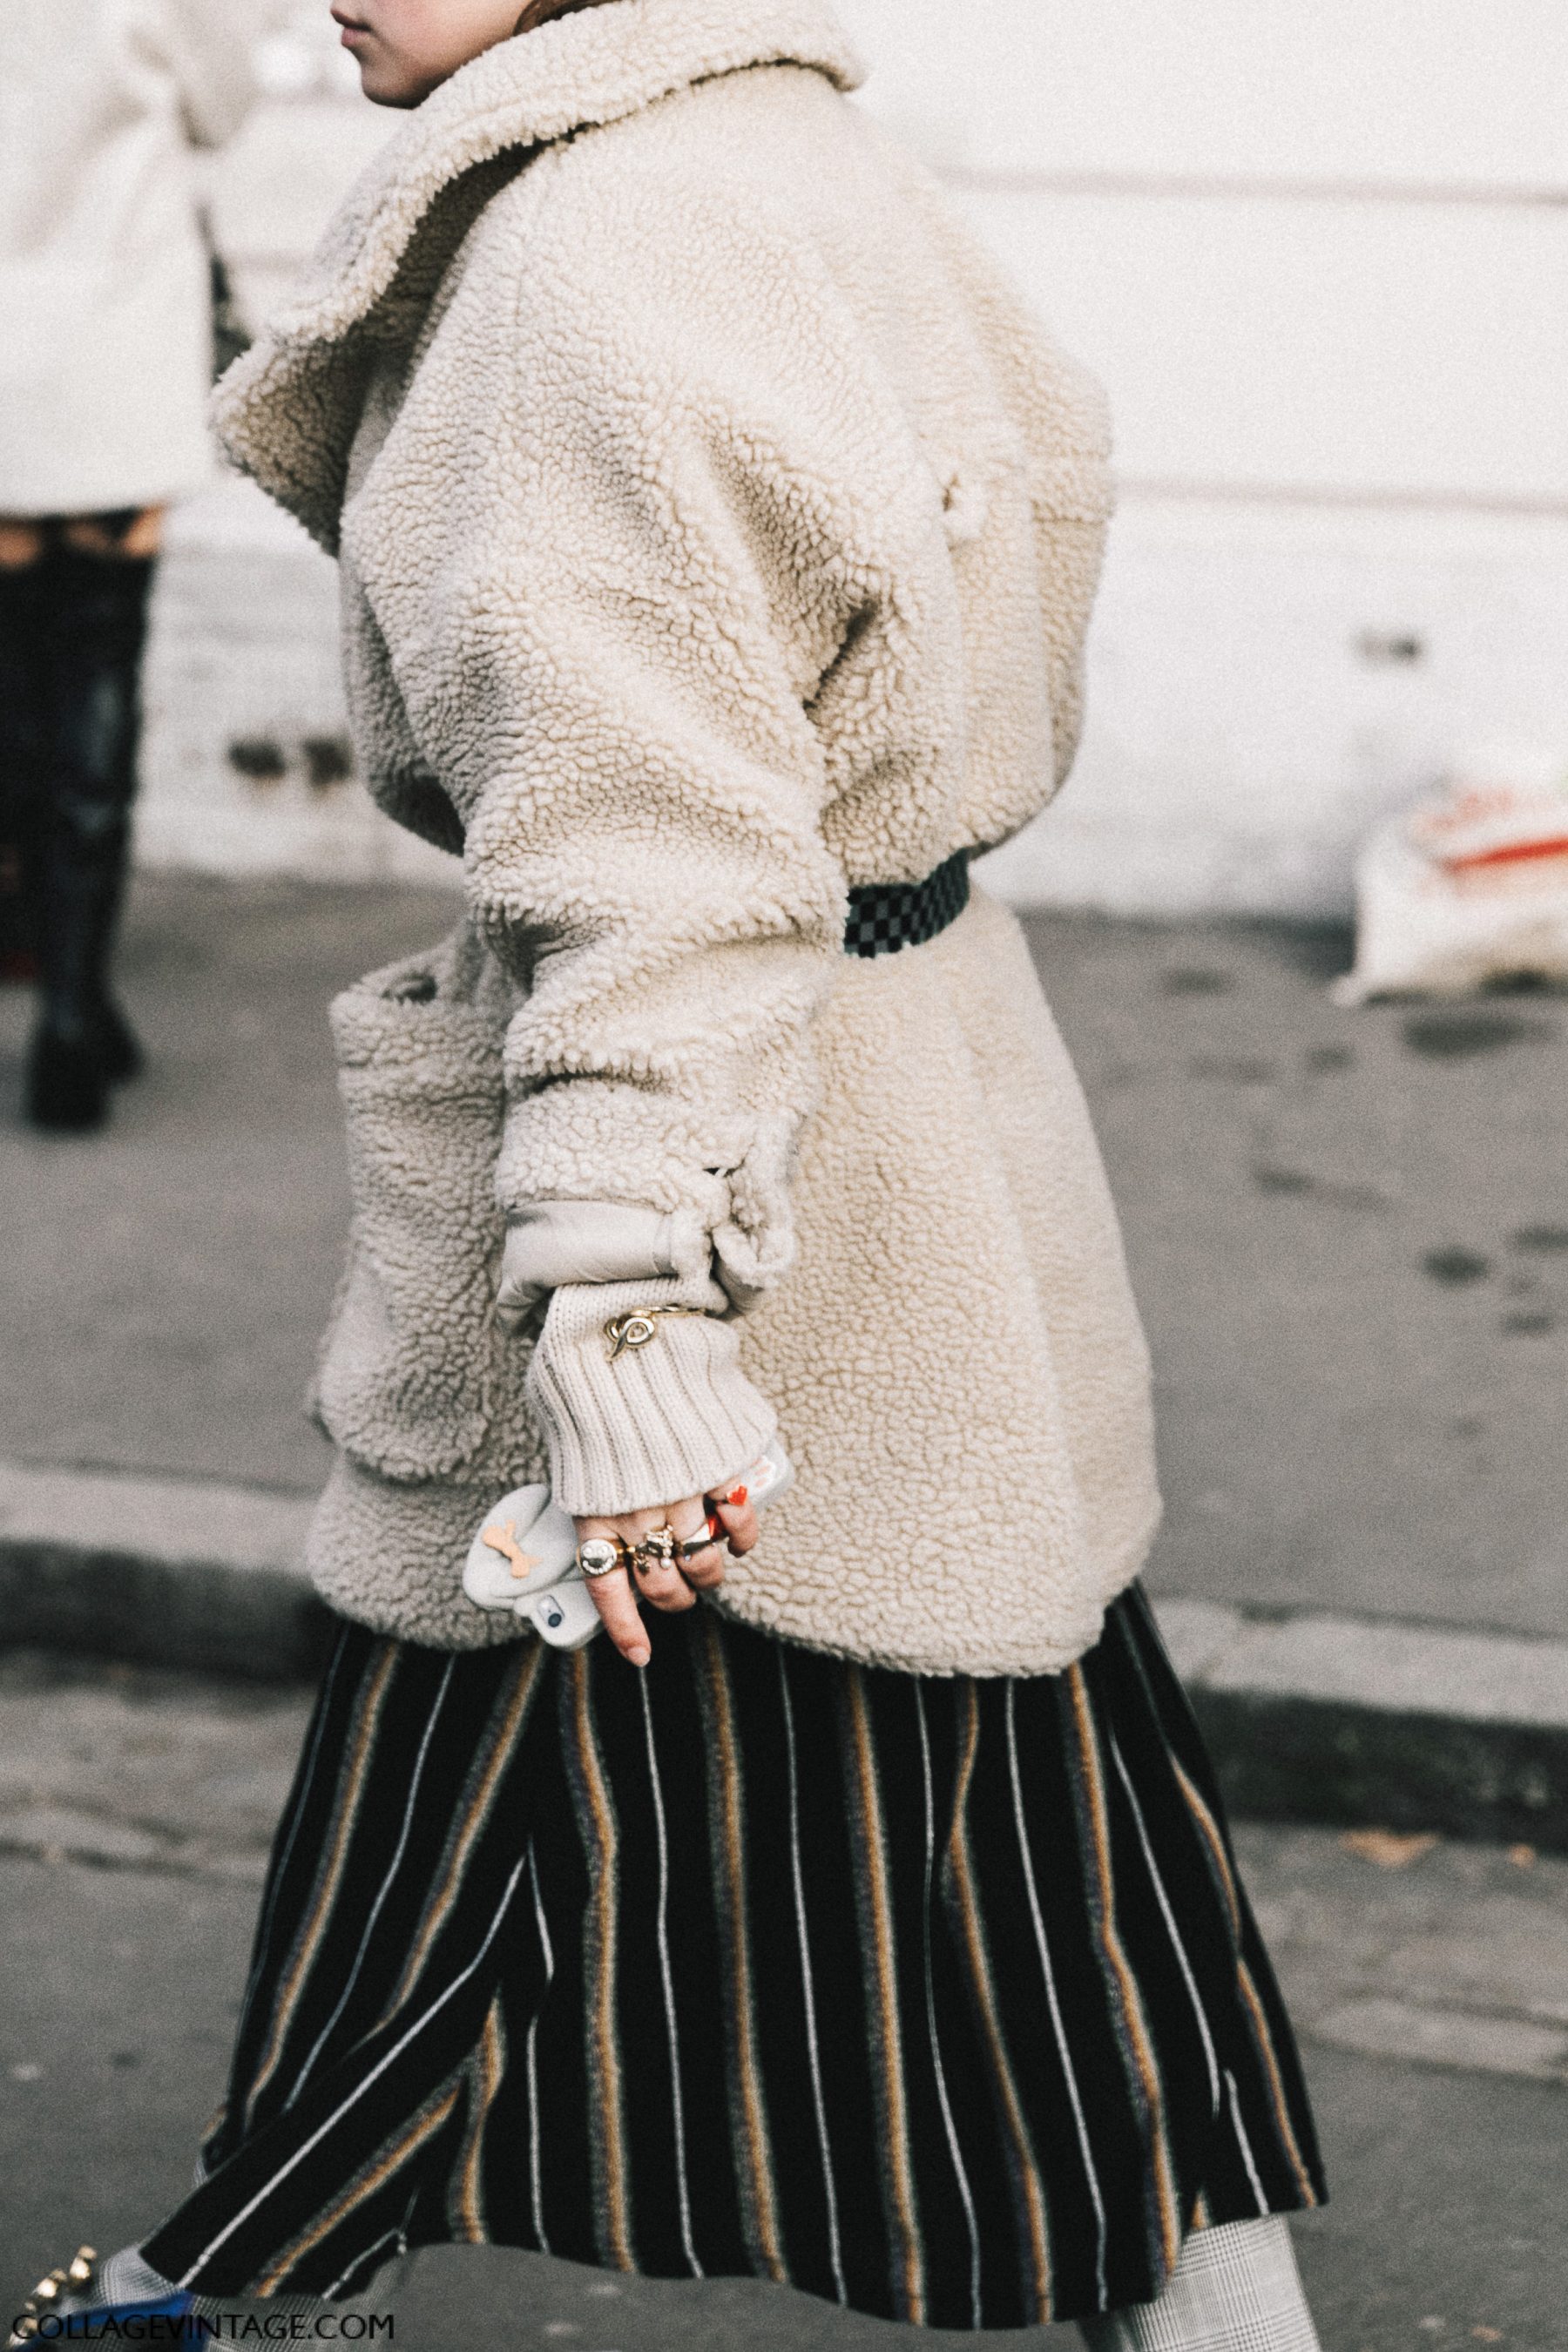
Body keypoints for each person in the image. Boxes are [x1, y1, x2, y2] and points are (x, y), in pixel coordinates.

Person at [8, 1, 1328, 2345]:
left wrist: (626, 1306)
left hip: (737, 1177)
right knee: (1040, 1850)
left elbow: (658, 854)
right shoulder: (782, 145)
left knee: (509, 1833)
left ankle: (219, 2300)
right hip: (916, 1127)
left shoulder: (574, 258)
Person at [0, 0, 256, 1130]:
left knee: (14, 672)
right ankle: (70, 1009)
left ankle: (58, 981)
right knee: (100, 657)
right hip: (108, 336)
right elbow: (224, 103)